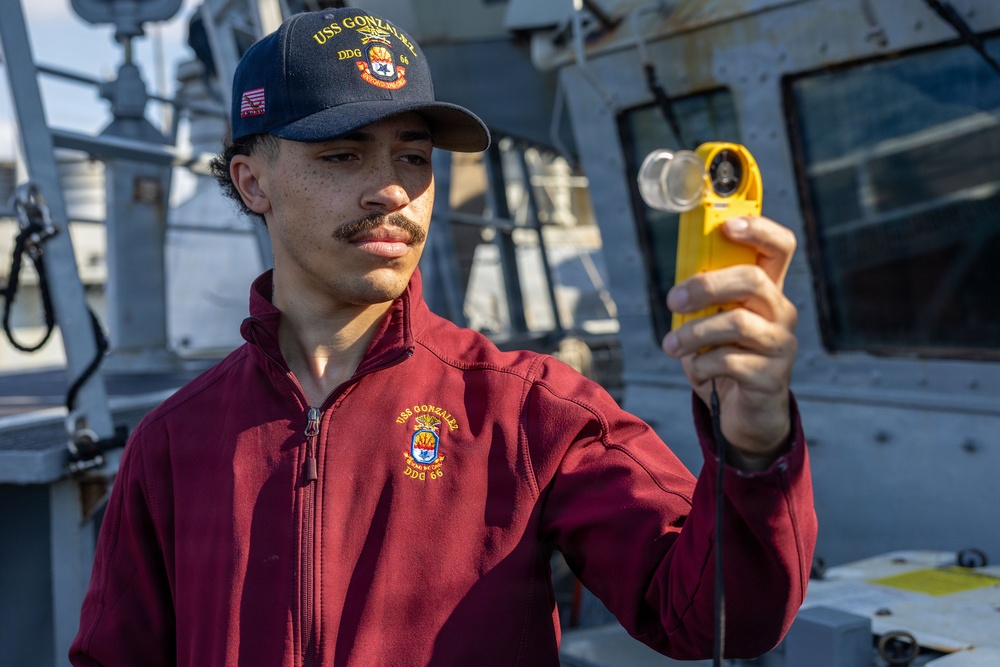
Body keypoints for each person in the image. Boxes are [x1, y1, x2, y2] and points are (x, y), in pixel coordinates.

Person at [70, 7, 816, 666]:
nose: (392, 189)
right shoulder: (172, 444)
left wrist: (754, 447)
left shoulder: (532, 412)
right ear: (251, 182)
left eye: (414, 156)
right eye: (342, 154)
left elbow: (717, 617)